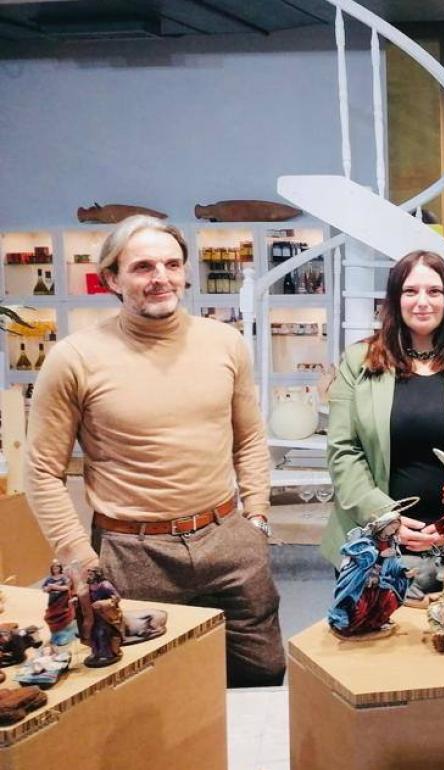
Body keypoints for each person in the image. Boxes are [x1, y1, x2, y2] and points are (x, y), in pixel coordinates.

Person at [25, 215, 284, 686]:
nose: (160, 278)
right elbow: (41, 473)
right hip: (132, 553)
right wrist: (83, 561)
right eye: (143, 267)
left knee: (261, 675)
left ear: (186, 271)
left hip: (229, 539)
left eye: (171, 264)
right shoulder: (74, 358)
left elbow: (249, 438)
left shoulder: (225, 343)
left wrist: (258, 518)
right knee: (153, 697)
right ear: (112, 279)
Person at [323, 250, 444, 585]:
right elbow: (343, 449)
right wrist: (385, 517)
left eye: (434, 292)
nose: (422, 301)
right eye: (410, 291)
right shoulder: (357, 361)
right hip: (377, 543)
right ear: (395, 299)